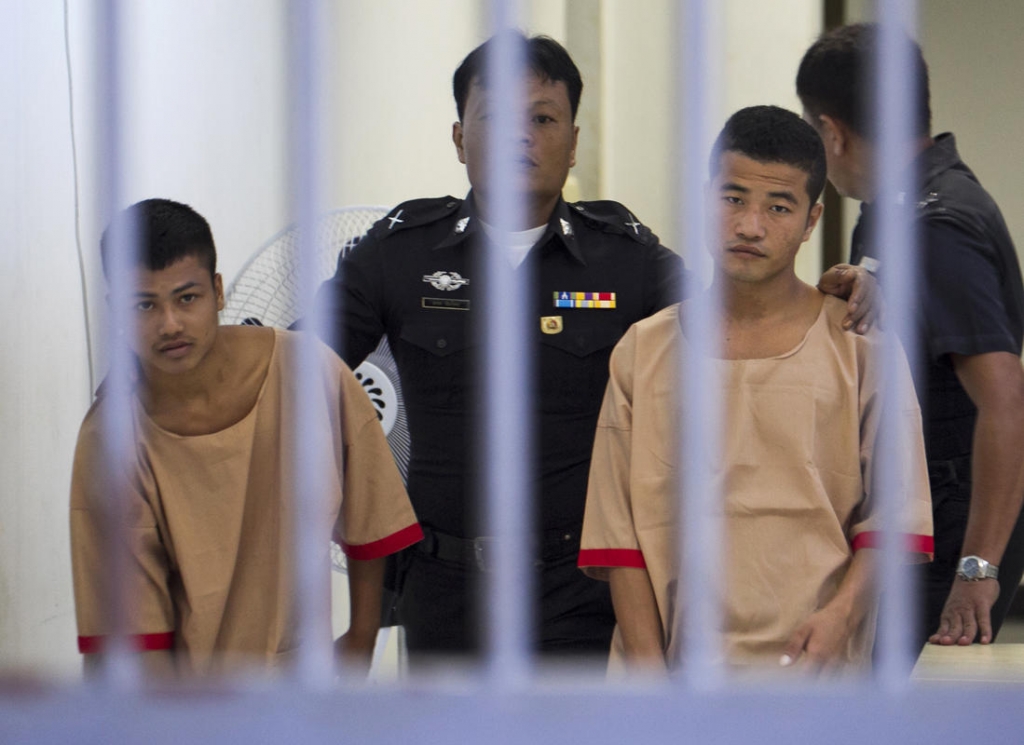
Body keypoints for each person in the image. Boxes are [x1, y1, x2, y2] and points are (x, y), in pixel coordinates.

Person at [315, 33, 875, 663]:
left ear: (575, 141)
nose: (521, 136)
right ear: (458, 136)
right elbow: (298, 372)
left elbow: (734, 315)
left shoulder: (624, 260)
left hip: (582, 587)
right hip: (445, 588)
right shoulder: (398, 254)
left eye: (544, 119)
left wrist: (842, 289)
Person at [579, 106, 933, 675]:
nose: (750, 225)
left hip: (820, 678)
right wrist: (650, 685)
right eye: (732, 198)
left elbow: (897, 515)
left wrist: (841, 617)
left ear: (813, 218)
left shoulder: (862, 349)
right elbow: (618, 539)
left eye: (778, 206)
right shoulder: (643, 351)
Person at [70, 198, 422, 677]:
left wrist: (361, 641)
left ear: (218, 291)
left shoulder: (305, 373)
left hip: (297, 680)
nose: (169, 323)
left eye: (186, 298)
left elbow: (374, 515)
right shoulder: (111, 438)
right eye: (144, 305)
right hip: (174, 696)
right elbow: (130, 620)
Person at [797, 23, 1024, 647]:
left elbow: (1008, 402)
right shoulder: (894, 211)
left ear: (830, 132)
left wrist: (977, 571)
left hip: (954, 527)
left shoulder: (934, 225)